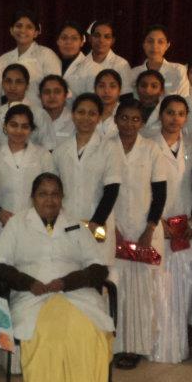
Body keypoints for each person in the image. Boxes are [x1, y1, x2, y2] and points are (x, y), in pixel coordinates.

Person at [0, 173, 114, 382]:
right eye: (43, 194)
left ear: (62, 198)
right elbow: (0, 266)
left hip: (76, 296)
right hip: (33, 298)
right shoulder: (16, 225)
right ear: (32, 197)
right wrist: (28, 283)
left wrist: (66, 282)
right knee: (51, 339)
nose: (50, 200)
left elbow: (98, 268)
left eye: (55, 194)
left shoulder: (76, 225)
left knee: (85, 341)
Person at [109, 98, 167, 370]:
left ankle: (137, 346)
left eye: (135, 119)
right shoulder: (106, 147)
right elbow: (101, 192)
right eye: (124, 118)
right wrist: (111, 228)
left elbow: (160, 193)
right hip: (115, 228)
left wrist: (150, 228)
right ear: (115, 119)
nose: (129, 124)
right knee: (116, 287)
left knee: (143, 291)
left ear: (142, 123)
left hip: (145, 229)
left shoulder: (152, 149)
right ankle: (115, 344)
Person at [154, 95, 192, 364]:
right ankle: (157, 345)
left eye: (180, 113)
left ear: (186, 118)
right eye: (170, 112)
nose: (174, 118)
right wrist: (155, 220)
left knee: (184, 286)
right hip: (159, 224)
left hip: (185, 226)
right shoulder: (149, 146)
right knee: (159, 287)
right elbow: (142, 186)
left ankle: (179, 346)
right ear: (161, 115)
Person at [53, 93, 122, 263]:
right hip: (67, 220)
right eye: (81, 112)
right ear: (73, 115)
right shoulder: (60, 150)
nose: (86, 118)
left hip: (98, 221)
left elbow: (112, 190)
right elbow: (54, 190)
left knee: (97, 271)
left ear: (99, 118)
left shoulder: (109, 148)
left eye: (92, 113)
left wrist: (96, 222)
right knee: (68, 271)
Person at [0, 104, 55, 251]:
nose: (19, 131)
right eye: (14, 125)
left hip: (36, 225)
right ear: (5, 127)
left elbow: (50, 193)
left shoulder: (43, 156)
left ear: (31, 130)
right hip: (2, 226)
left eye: (25, 126)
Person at [0, 10, 61, 106]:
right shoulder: (4, 59)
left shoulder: (47, 55)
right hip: (10, 112)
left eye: (29, 27)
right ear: (11, 30)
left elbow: (55, 89)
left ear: (36, 32)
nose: (23, 30)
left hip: (38, 112)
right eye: (19, 26)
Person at [67, 20, 131, 98]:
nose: (101, 40)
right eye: (97, 36)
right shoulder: (79, 63)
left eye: (107, 37)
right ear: (90, 38)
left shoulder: (121, 65)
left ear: (112, 41)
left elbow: (126, 97)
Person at [127, 25, 186, 97]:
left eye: (160, 42)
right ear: (144, 44)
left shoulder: (179, 70)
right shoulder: (133, 74)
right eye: (150, 41)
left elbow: (184, 99)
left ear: (167, 46)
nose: (154, 46)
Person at [35, 75, 74, 151]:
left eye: (57, 92)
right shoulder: (33, 119)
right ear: (40, 96)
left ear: (65, 95)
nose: (52, 96)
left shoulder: (75, 121)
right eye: (47, 92)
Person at [135, 69, 165, 139]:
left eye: (154, 86)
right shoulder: (128, 110)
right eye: (143, 86)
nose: (147, 90)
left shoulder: (167, 112)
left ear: (161, 91)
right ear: (137, 89)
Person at [93, 69, 122, 140]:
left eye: (112, 86)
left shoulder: (125, 113)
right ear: (95, 89)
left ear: (120, 90)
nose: (106, 91)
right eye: (101, 86)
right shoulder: (87, 113)